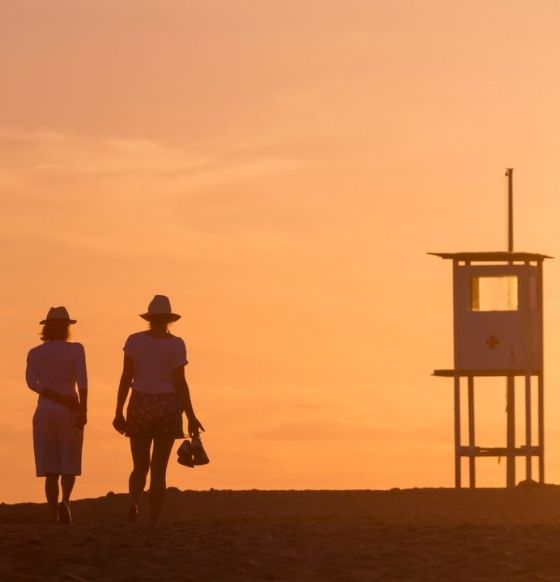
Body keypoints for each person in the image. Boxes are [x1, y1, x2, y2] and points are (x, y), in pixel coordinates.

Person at [113, 295, 204, 525]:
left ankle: (134, 503)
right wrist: (191, 416)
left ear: (150, 318)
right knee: (159, 469)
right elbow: (181, 383)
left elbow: (126, 377)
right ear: (168, 320)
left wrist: (118, 411)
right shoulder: (176, 344)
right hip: (167, 405)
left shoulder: (134, 341)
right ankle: (153, 520)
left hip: (140, 405)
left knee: (139, 465)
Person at [25, 306, 88, 524]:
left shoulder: (35, 353)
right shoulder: (76, 350)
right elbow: (83, 382)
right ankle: (66, 501)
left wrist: (52, 395)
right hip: (69, 410)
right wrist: (83, 409)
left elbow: (31, 382)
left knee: (50, 468)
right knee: (69, 463)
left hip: (45, 411)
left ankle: (53, 513)